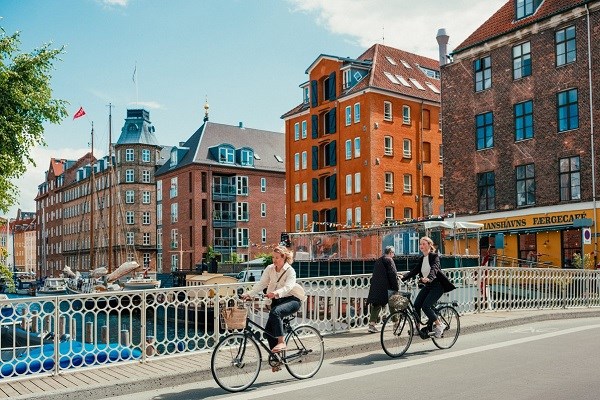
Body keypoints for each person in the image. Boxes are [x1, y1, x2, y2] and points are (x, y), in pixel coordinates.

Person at [241, 245, 305, 356]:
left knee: (276, 313)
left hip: (292, 300)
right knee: (268, 332)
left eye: (277, 258)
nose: (274, 260)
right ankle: (277, 359)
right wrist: (249, 294)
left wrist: (276, 293)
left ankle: (281, 342)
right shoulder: (270, 269)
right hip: (276, 301)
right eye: (273, 257)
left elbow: (288, 287)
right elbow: (262, 284)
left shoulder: (290, 271)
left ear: (283, 257)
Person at [400, 236, 456, 338]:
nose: (421, 246)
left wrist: (429, 278)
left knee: (426, 306)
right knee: (417, 304)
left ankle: (439, 325)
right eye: (420, 244)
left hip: (437, 286)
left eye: (423, 244)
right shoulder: (422, 259)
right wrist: (403, 277)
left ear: (430, 245)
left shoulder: (434, 256)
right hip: (428, 286)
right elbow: (415, 271)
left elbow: (434, 269)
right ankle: (417, 328)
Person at [366, 246, 399, 333]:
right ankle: (396, 324)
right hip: (387, 287)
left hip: (377, 287)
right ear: (391, 252)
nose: (394, 255)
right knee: (393, 304)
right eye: (393, 253)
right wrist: (396, 288)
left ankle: (371, 325)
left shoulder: (379, 260)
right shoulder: (389, 260)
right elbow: (393, 274)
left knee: (376, 305)